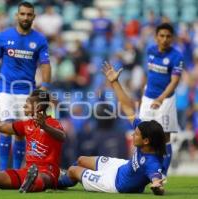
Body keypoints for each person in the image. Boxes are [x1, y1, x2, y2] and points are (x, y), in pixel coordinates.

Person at [57, 62, 166, 195]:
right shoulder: (143, 131)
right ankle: (68, 177)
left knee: (74, 170)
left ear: (146, 141)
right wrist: (115, 82)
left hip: (114, 183)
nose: (133, 135)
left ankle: (56, 182)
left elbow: (156, 180)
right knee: (81, 160)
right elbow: (127, 107)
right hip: (120, 167)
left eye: (136, 134)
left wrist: (157, 186)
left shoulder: (152, 161)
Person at [0, 1, 52, 170]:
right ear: (17, 15)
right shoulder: (3, 37)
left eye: (29, 14)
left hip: (27, 93)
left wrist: (45, 86)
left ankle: (17, 172)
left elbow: (45, 64)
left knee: (21, 132)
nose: (25, 17)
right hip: (5, 89)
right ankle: (3, 171)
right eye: (23, 14)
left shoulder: (40, 40)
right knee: (6, 127)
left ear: (33, 17)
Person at [139, 23, 183, 176]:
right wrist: (144, 93)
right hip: (147, 98)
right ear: (156, 37)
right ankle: (142, 170)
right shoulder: (150, 50)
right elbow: (150, 74)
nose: (164, 39)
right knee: (141, 133)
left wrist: (160, 98)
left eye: (168, 36)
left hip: (166, 101)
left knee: (165, 137)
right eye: (161, 36)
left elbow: (175, 81)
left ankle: (162, 174)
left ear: (172, 38)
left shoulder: (177, 56)